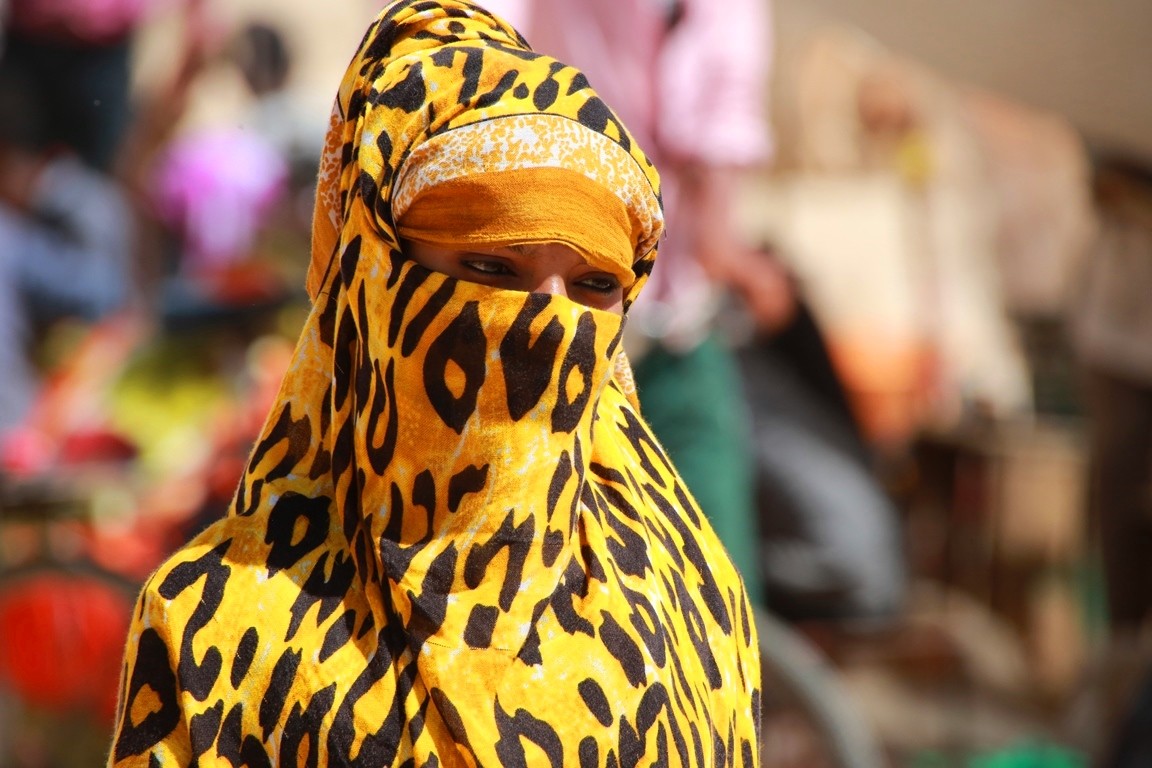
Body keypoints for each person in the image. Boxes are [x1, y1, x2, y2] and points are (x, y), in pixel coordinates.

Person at [107, 2, 760, 765]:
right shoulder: (217, 627)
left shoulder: (684, 599)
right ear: (379, 284)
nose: (545, 328)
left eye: (591, 285)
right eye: (490, 271)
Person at [479, 0, 775, 604]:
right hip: (629, 331)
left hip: (571, 325)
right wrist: (749, 270)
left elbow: (477, 51)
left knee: (545, 582)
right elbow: (714, 147)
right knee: (706, 585)